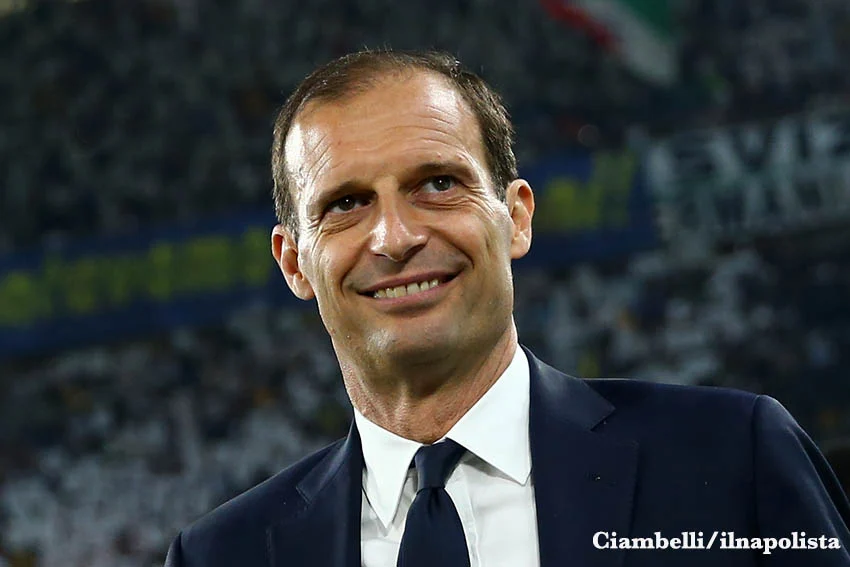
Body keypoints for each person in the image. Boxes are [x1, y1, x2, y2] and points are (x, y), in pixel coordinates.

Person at [164, 50, 850, 566]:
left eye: (438, 183)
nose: (395, 237)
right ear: (294, 263)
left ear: (516, 217)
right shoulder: (221, 556)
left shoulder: (731, 457)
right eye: (346, 203)